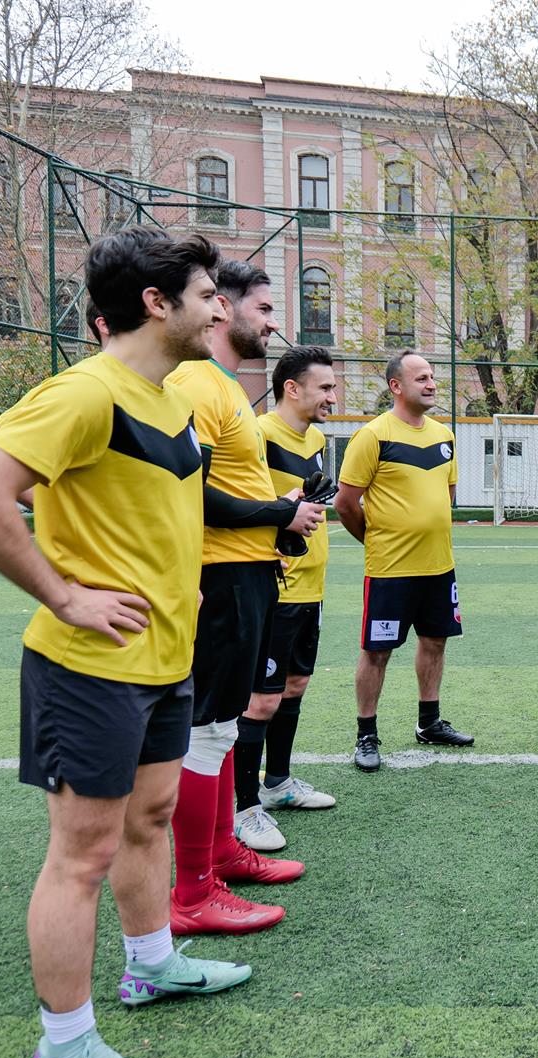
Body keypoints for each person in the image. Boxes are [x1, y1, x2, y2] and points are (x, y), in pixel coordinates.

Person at [0, 225, 253, 1058]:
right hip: (90, 666)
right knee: (80, 858)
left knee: (149, 820)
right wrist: (65, 594)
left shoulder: (174, 394)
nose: (218, 306)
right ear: (157, 304)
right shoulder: (88, 392)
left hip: (164, 659)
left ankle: (151, 966)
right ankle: (65, 1050)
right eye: (203, 293)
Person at [166, 260, 323, 934]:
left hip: (249, 572)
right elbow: (187, 490)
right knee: (206, 728)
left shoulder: (227, 386)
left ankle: (223, 851)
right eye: (263, 309)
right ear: (224, 309)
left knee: (224, 723)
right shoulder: (195, 382)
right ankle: (193, 891)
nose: (271, 322)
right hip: (221, 577)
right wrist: (275, 516)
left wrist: (274, 511)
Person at [336, 350, 472, 771]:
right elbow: (345, 503)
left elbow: (445, 500)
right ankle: (366, 734)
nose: (431, 384)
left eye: (432, 377)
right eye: (421, 378)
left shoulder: (444, 436)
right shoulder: (372, 436)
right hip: (390, 571)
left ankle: (428, 722)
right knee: (377, 652)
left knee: (435, 641)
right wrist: (374, 539)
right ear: (396, 386)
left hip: (438, 567)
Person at [231, 346, 341, 851]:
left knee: (295, 686)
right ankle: (243, 808)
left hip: (310, 584)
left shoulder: (316, 437)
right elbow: (243, 503)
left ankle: (277, 785)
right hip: (272, 588)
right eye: (324, 387)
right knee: (260, 700)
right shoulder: (256, 434)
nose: (332, 396)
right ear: (291, 388)